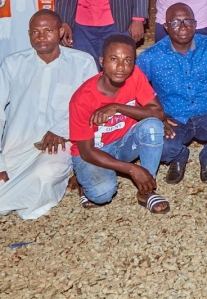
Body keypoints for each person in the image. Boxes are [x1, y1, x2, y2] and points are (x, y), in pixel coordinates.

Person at [0, 10, 97, 219]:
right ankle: (34, 193)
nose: (41, 37)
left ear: (61, 32)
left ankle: (47, 183)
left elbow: (91, 108)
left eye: (48, 30)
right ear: (28, 34)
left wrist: (61, 129)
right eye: (35, 32)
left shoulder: (82, 63)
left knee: (44, 173)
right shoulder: (13, 64)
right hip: (18, 145)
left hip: (60, 146)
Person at [137, 3, 207, 184]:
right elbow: (134, 88)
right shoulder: (151, 56)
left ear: (195, 24)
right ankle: (179, 157)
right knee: (158, 145)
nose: (183, 26)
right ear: (166, 27)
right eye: (175, 22)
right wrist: (157, 118)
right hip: (173, 118)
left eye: (188, 21)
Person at [69, 34, 170, 213]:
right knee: (102, 193)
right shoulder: (82, 99)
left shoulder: (135, 76)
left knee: (153, 126)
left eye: (127, 60)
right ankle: (84, 181)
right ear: (102, 61)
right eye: (114, 59)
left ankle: (146, 191)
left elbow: (158, 112)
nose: (121, 67)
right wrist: (131, 169)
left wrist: (117, 107)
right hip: (93, 153)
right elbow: (86, 152)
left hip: (122, 143)